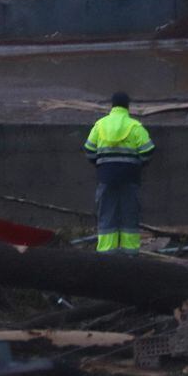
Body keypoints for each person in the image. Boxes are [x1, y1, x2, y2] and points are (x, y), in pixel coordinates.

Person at [82, 92, 155, 255]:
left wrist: (101, 165)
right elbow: (148, 150)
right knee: (129, 216)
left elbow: (89, 150)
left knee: (107, 215)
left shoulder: (100, 125)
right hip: (130, 178)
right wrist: (138, 165)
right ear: (127, 106)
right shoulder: (134, 126)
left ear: (112, 105)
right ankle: (130, 254)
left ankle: (107, 253)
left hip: (106, 178)